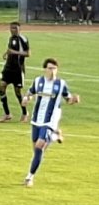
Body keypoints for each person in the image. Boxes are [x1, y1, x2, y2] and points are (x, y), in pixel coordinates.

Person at [21, 58, 81, 187]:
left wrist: (74, 100)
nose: (52, 71)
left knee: (39, 146)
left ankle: (29, 177)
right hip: (36, 119)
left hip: (50, 120)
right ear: (45, 70)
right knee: (36, 148)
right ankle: (55, 136)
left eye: (54, 68)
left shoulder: (61, 84)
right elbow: (30, 93)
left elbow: (68, 99)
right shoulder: (38, 81)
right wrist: (26, 99)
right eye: (50, 68)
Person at [0, 22, 30, 122]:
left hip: (18, 69)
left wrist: (14, 52)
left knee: (18, 92)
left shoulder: (23, 39)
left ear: (19, 29)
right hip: (8, 68)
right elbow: (10, 49)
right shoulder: (11, 38)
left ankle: (25, 113)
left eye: (15, 28)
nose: (13, 30)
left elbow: (27, 53)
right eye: (12, 28)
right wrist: (6, 53)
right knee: (1, 88)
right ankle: (7, 114)